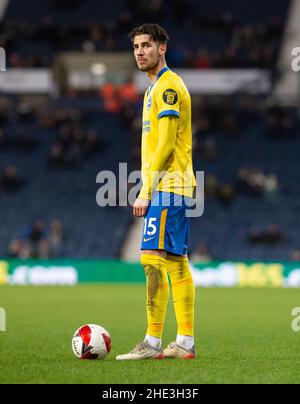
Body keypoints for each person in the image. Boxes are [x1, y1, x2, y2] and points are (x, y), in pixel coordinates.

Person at [116, 24, 197, 361]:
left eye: (147, 45)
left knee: (150, 260)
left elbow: (165, 144)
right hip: (175, 186)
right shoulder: (153, 89)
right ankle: (185, 344)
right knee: (176, 263)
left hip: (167, 186)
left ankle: (152, 343)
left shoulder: (167, 87)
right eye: (136, 46)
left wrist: (145, 190)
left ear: (163, 48)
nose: (140, 51)